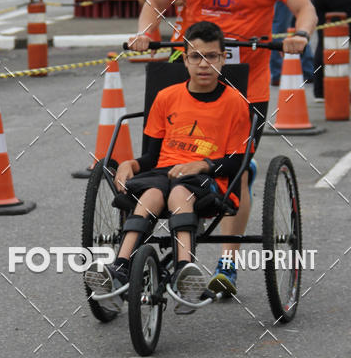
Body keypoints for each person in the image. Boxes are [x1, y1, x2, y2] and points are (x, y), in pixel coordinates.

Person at [129, 0, 317, 293]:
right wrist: (146, 32)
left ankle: (227, 263)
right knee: (172, 157)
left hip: (247, 85)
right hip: (191, 76)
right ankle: (169, 243)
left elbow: (305, 8)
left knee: (238, 172)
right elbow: (153, 3)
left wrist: (299, 34)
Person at [84, 21, 253, 313]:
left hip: (206, 177)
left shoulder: (235, 103)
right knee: (149, 194)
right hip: (163, 172)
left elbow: (238, 161)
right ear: (184, 59)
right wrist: (130, 163)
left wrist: (202, 164)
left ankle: (184, 270)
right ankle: (120, 266)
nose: (203, 64)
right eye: (196, 56)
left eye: (211, 56)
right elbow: (151, 156)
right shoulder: (166, 97)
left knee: (178, 195)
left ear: (223, 58)